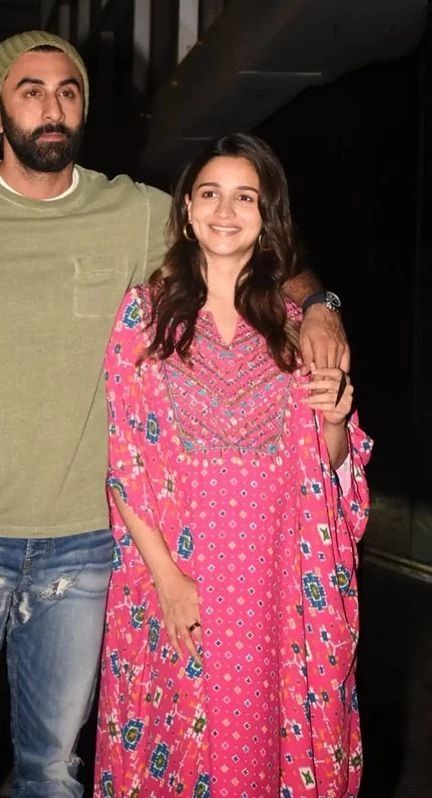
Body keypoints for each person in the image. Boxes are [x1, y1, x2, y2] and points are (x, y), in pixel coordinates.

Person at [0, 30, 347, 797]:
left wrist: (320, 305)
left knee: (54, 770)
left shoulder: (132, 211)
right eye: (30, 90)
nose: (51, 106)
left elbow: (241, 241)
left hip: (84, 548)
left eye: (68, 91)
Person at [94, 133, 372, 797]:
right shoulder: (144, 315)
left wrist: (336, 420)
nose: (226, 210)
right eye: (211, 194)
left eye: (245, 197)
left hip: (275, 582)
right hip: (177, 571)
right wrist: (167, 579)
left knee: (258, 750)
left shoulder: (296, 325)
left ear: (266, 215)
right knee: (177, 746)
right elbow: (125, 460)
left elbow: (329, 468)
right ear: (187, 210)